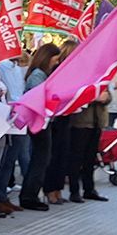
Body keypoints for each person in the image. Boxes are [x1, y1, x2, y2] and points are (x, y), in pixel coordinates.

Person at [18, 44, 62, 210]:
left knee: (41, 158)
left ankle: (31, 194)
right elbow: (39, 99)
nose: (56, 63)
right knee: (40, 159)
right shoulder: (38, 76)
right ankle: (29, 195)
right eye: (55, 59)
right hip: (39, 122)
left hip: (43, 121)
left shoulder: (42, 75)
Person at [0, 51, 30, 214]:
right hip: (7, 117)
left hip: (18, 117)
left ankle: (1, 196)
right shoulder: (2, 67)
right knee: (2, 161)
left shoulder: (16, 68)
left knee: (9, 160)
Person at [44, 39, 79, 202]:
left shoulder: (73, 72)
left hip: (67, 116)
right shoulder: (57, 71)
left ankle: (58, 188)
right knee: (55, 154)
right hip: (56, 117)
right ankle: (50, 189)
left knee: (63, 154)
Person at [68, 88, 110, 202]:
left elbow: (108, 96)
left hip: (97, 123)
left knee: (90, 159)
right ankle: (74, 191)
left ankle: (89, 189)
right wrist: (92, 98)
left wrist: (106, 98)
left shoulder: (101, 77)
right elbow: (74, 97)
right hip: (80, 123)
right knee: (76, 159)